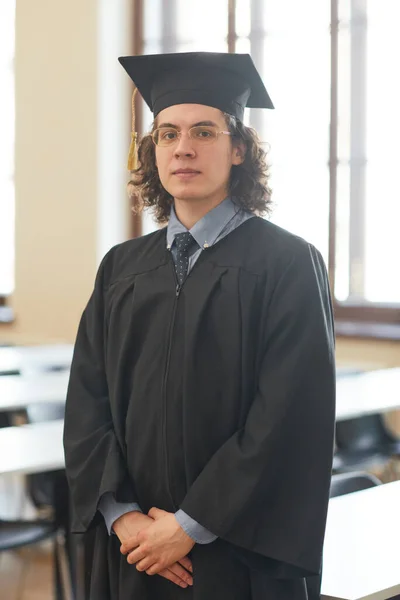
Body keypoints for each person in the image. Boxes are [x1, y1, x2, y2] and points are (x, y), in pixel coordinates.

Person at [63, 52, 336, 600]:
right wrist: (125, 520)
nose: (183, 147)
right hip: (134, 554)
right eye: (167, 134)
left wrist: (186, 527)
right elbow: (88, 403)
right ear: (153, 152)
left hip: (236, 552)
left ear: (238, 150)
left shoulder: (286, 263)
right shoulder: (122, 267)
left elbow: (287, 417)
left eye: (203, 131)